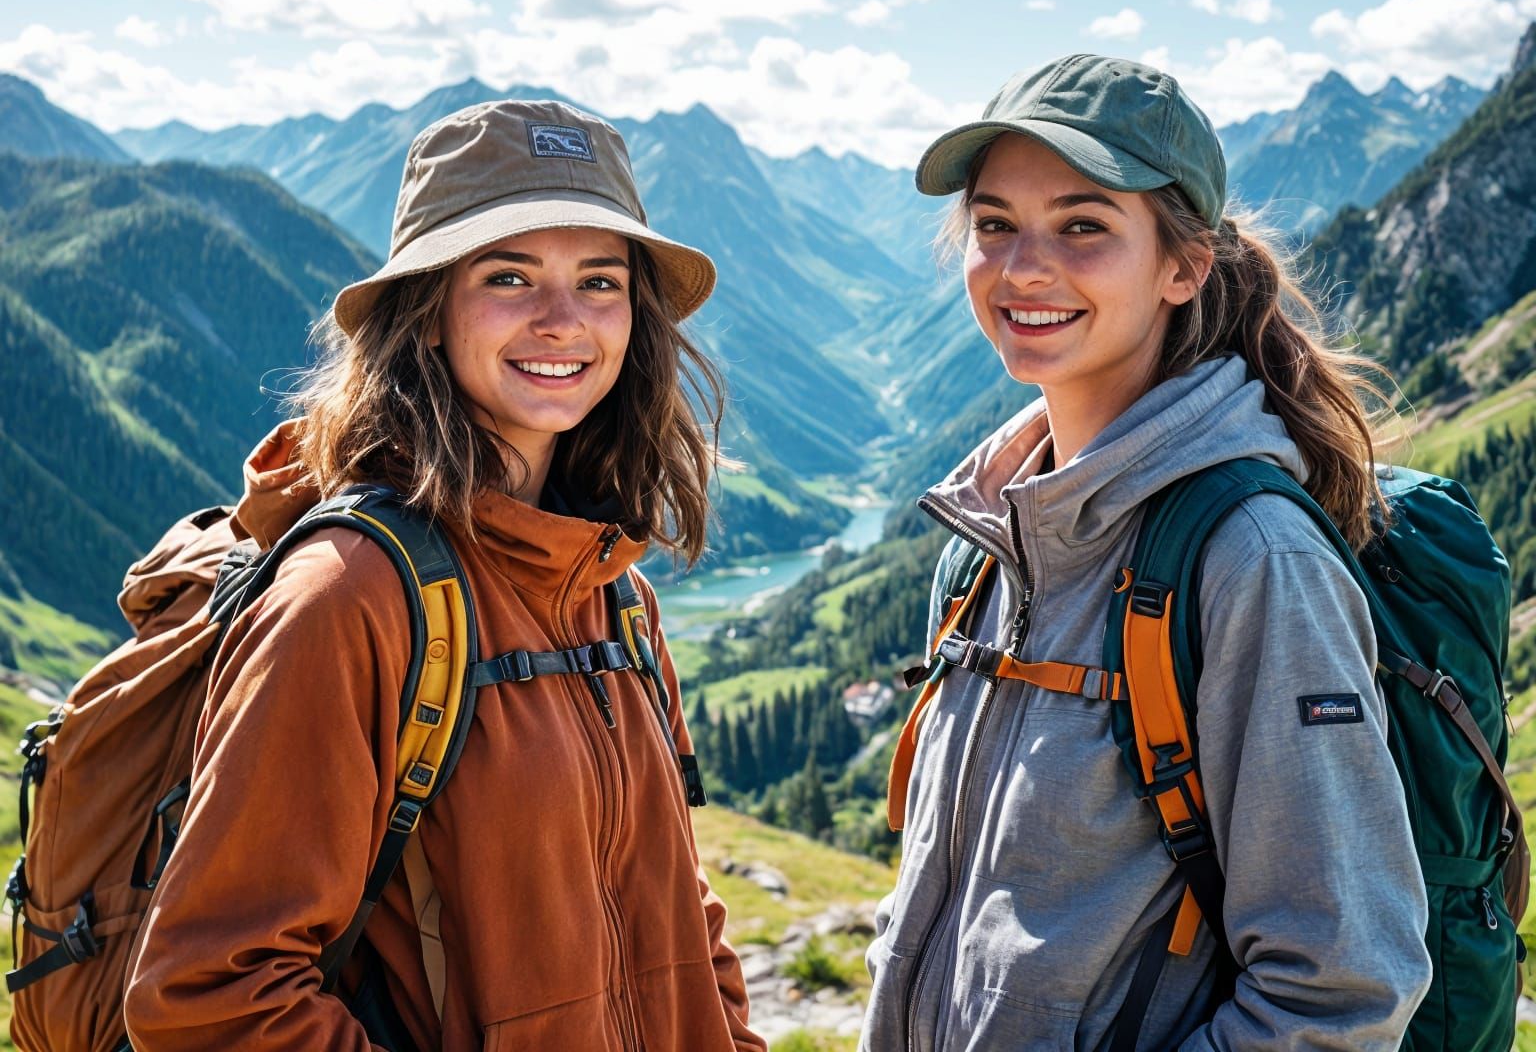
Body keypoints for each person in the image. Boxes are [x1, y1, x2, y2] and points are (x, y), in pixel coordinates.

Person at [124, 99, 768, 1052]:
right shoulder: (348, 597)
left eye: (600, 281)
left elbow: (676, 904)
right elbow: (210, 994)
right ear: (426, 312)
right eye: (509, 277)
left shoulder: (611, 589)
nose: (564, 321)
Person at [862, 56, 1432, 1051]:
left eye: (1083, 226)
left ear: (1185, 266)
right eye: (994, 224)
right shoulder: (992, 538)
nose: (1021, 267)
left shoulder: (1251, 558)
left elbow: (1341, 995)